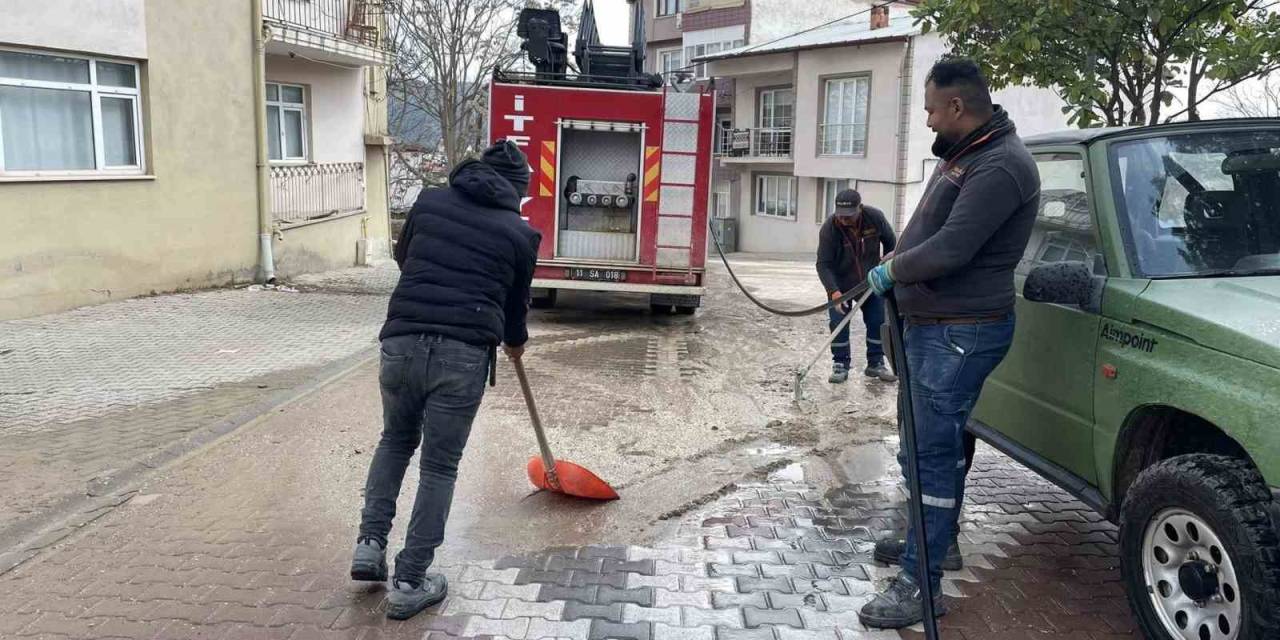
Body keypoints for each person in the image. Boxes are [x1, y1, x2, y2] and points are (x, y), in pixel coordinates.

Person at [858, 58, 1041, 629]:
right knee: (922, 448)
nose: (930, 121)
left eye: (933, 109)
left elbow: (952, 249)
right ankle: (933, 540)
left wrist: (895, 270)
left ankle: (921, 582)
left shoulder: (1000, 166)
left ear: (957, 106)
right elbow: (931, 235)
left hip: (959, 333)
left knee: (932, 458)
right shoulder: (966, 154)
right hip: (933, 329)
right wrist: (897, 261)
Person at [350, 140, 541, 620]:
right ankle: (412, 578)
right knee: (439, 467)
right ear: (515, 190)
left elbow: (405, 257)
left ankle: (369, 547)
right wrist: (515, 341)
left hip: (402, 339)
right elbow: (515, 305)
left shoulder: (430, 200)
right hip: (462, 353)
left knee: (394, 441)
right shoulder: (519, 234)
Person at [816, 189, 897, 384]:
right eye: (841, 216)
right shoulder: (830, 228)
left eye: (849, 216)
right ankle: (840, 363)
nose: (844, 220)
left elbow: (891, 244)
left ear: (860, 208)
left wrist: (885, 269)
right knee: (838, 324)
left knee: (877, 321)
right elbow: (823, 264)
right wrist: (833, 292)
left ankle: (876, 363)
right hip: (841, 287)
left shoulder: (874, 217)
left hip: (870, 282)